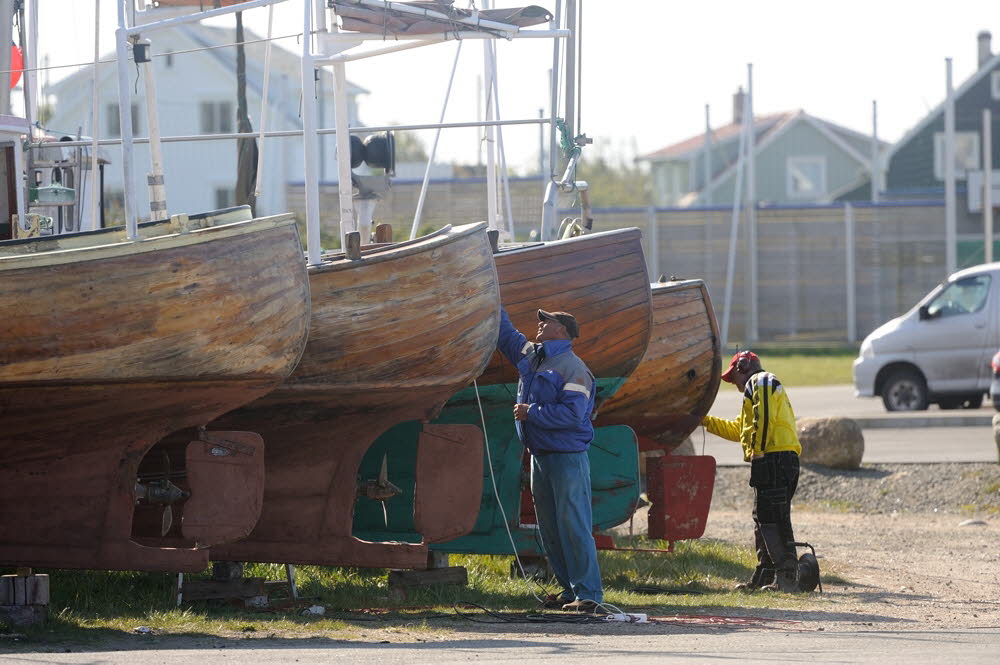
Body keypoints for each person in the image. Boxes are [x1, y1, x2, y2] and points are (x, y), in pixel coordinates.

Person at [495, 306, 603, 612]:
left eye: (548, 321)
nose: (540, 324)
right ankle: (570, 592)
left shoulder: (573, 367)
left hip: (567, 458)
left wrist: (532, 413)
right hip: (541, 456)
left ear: (563, 331)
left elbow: (573, 414)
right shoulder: (534, 356)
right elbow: (506, 336)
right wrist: (494, 299)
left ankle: (590, 594)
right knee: (551, 528)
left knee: (573, 525)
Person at [702, 350, 803, 592]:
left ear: (743, 367)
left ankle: (787, 578)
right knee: (763, 518)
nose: (733, 384)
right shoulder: (757, 389)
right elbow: (739, 429)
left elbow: (764, 417)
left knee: (774, 518)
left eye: (732, 377)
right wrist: (704, 421)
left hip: (774, 457)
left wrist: (758, 450)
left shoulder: (762, 381)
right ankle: (766, 574)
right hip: (773, 458)